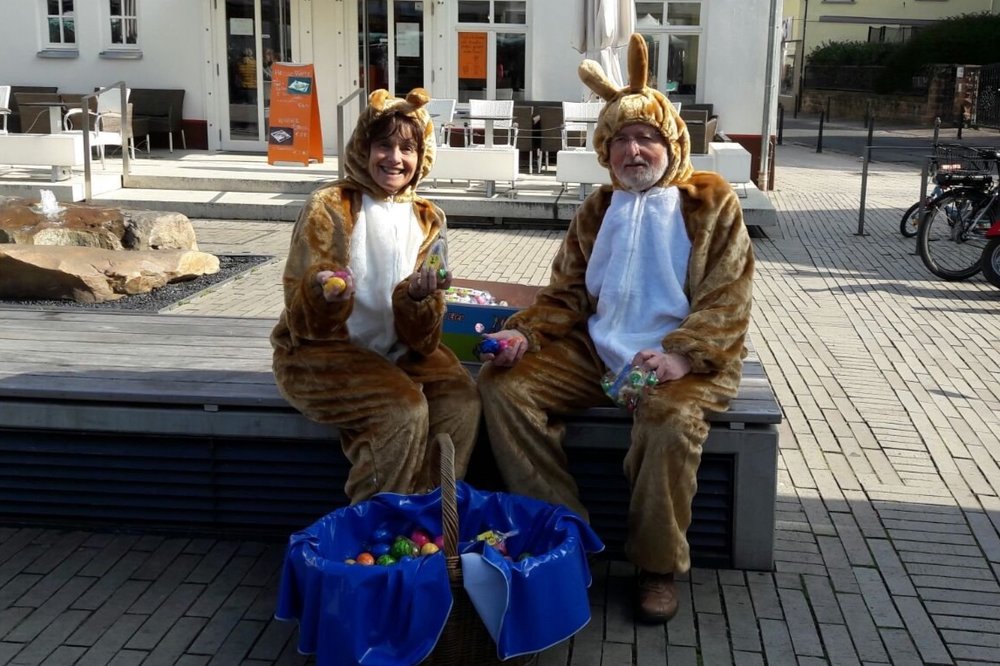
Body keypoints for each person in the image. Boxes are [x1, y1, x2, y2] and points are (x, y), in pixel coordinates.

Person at [476, 33, 754, 624]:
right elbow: (567, 293)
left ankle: (656, 567)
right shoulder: (597, 208)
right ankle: (564, 532)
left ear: (671, 141)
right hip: (597, 353)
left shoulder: (710, 201)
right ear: (605, 151)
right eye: (620, 139)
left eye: (646, 136)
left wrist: (682, 355)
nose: (633, 149)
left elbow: (727, 300)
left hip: (682, 361)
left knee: (670, 419)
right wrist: (527, 333)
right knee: (504, 388)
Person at [271, 88, 481, 504]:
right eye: (383, 145)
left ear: (422, 157)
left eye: (407, 148)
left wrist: (419, 301)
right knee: (402, 410)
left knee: (462, 398)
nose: (394, 158)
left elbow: (424, 339)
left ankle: (432, 513)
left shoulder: (428, 216)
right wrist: (325, 292)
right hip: (324, 353)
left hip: (401, 351)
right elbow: (303, 313)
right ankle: (373, 525)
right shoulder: (330, 204)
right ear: (363, 148)